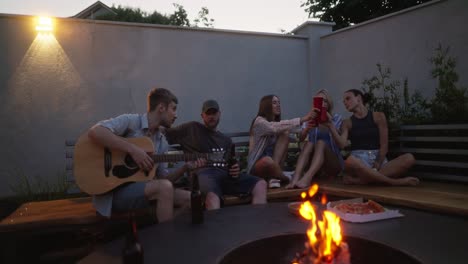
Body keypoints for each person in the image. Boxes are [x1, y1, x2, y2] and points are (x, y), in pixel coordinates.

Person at [88, 88, 203, 222]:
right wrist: (133, 150)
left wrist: (185, 168)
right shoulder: (131, 122)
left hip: (146, 192)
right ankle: (168, 238)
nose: (176, 115)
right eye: (173, 109)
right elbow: (95, 132)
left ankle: (161, 232)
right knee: (164, 188)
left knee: (192, 200)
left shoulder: (162, 142)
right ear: (161, 107)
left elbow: (164, 178)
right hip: (113, 193)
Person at [164, 99, 267, 210]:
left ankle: (257, 222)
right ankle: (215, 226)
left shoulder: (226, 140)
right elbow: (163, 133)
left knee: (261, 184)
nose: (211, 116)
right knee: (212, 196)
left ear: (219, 114)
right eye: (208, 113)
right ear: (202, 115)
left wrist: (235, 169)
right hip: (202, 174)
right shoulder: (191, 128)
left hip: (225, 176)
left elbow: (231, 163)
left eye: (214, 113)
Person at [328, 89, 419, 186]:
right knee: (350, 161)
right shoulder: (347, 123)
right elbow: (342, 144)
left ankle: (361, 181)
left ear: (358, 98)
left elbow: (384, 146)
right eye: (344, 101)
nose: (345, 102)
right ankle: (396, 182)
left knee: (409, 158)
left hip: (378, 160)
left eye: (348, 98)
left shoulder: (378, 116)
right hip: (358, 162)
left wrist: (378, 163)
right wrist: (330, 126)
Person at [247, 95, 317, 187]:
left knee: (285, 133)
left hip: (274, 164)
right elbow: (273, 128)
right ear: (266, 105)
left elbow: (296, 137)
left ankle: (273, 177)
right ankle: (286, 177)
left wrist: (306, 128)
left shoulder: (278, 124)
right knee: (267, 161)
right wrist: (303, 119)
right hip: (257, 166)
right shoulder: (259, 121)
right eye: (274, 103)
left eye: (279, 103)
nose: (278, 105)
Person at [286, 89, 344, 189]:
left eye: (325, 101)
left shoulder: (336, 118)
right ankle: (296, 178)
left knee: (321, 142)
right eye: (319, 101)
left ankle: (307, 178)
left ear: (329, 103)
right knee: (309, 143)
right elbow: (300, 139)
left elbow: (339, 143)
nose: (322, 104)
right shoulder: (310, 117)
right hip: (313, 164)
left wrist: (330, 124)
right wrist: (307, 128)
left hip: (332, 164)